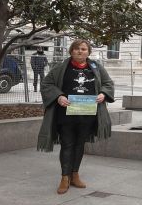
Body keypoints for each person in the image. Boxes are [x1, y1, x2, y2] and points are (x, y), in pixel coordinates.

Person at [37, 39, 115, 194]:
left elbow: (108, 84)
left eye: (84, 49)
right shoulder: (61, 68)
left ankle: (75, 174)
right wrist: (58, 96)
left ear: (88, 52)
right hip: (66, 115)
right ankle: (64, 177)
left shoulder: (96, 68)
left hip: (87, 115)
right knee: (67, 144)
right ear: (71, 51)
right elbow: (46, 84)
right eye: (77, 49)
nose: (80, 51)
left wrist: (103, 94)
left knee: (79, 144)